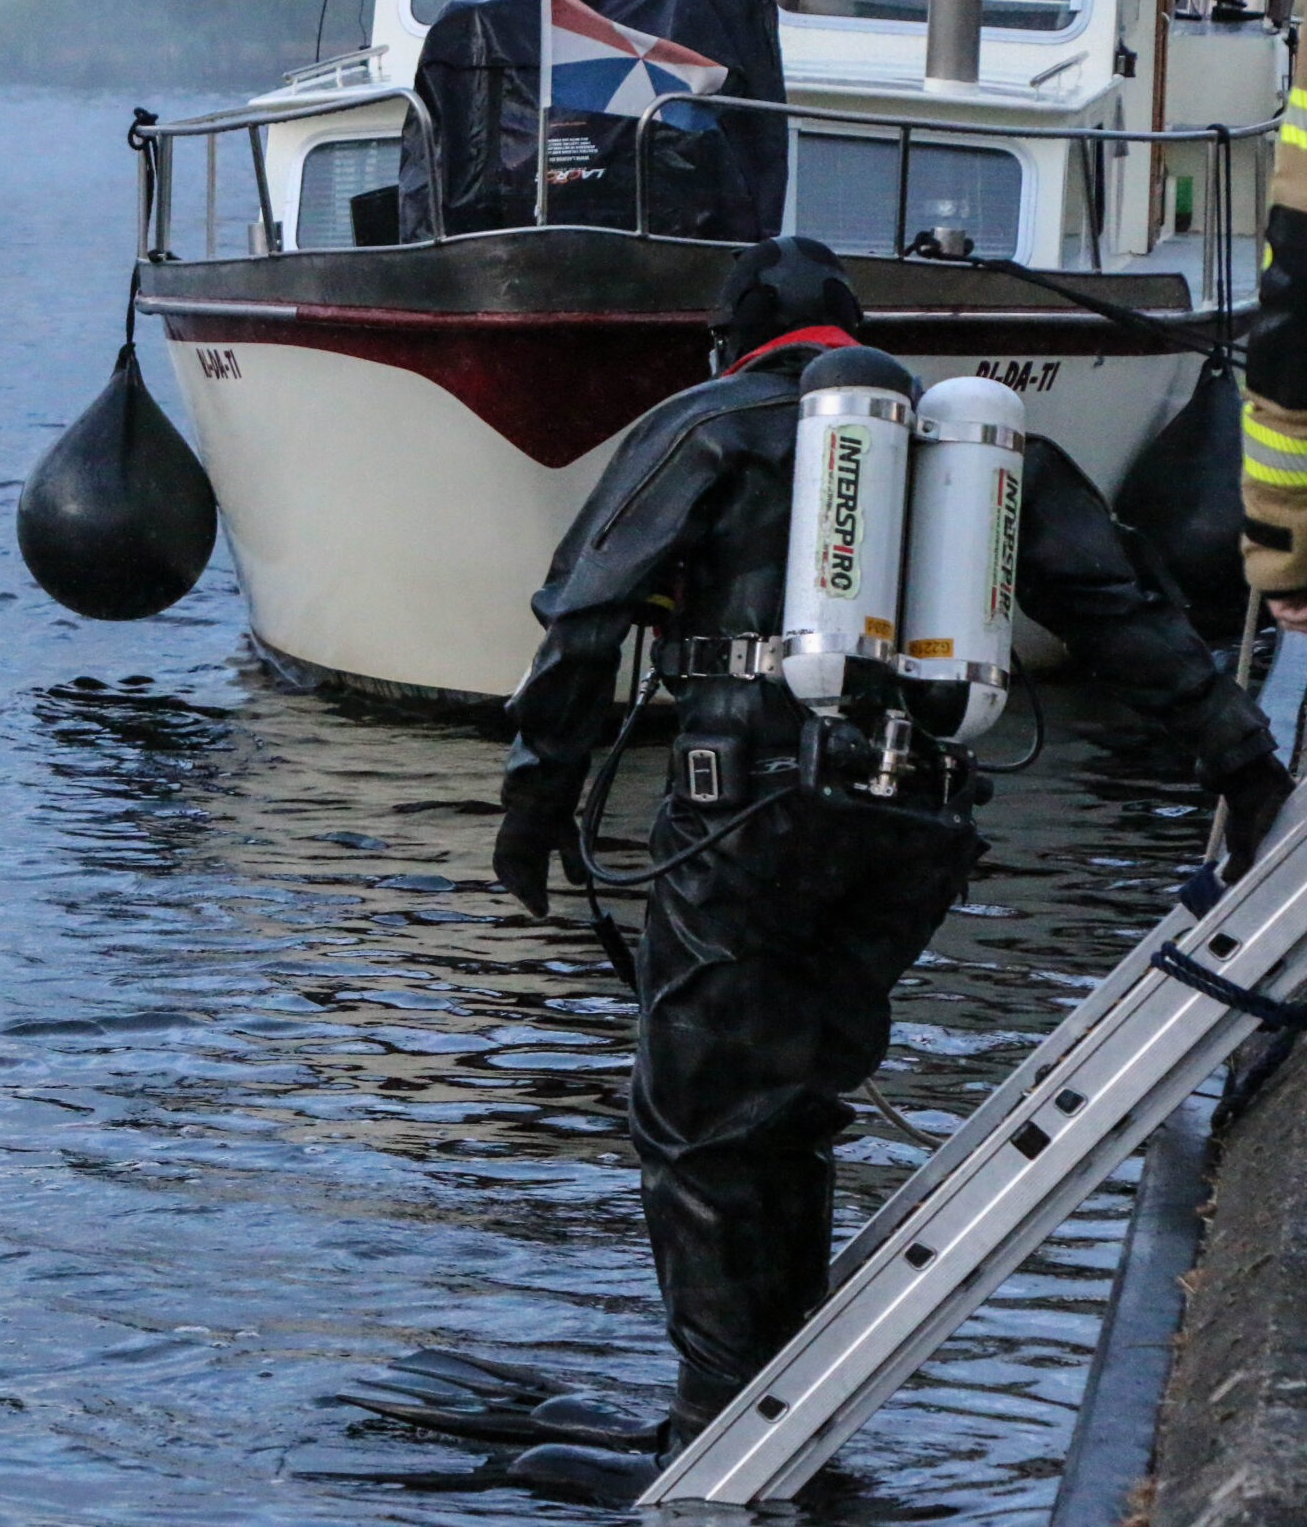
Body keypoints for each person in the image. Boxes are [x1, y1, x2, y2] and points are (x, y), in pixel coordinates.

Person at [486, 235, 1291, 1495]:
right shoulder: (967, 442)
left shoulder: (705, 425)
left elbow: (584, 620)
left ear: (729, 340)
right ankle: (770, 1410)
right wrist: (1242, 764)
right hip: (915, 824)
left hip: (748, 811)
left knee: (697, 1121)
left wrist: (534, 810)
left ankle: (708, 1432)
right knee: (794, 1102)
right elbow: (1118, 607)